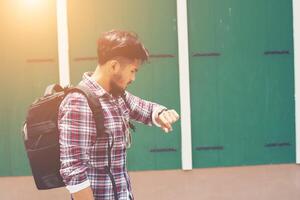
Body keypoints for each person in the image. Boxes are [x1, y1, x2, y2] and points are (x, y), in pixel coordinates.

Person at [58, 30, 180, 200]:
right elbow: (74, 170)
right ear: (114, 66)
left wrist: (162, 113)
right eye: (132, 71)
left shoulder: (117, 96)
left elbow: (144, 108)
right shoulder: (80, 102)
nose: (134, 78)